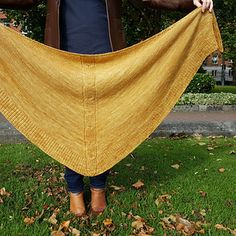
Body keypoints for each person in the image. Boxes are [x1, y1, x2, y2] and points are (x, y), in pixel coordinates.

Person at [0, 0, 213, 217]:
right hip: (61, 60)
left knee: (105, 126)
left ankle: (98, 188)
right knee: (70, 125)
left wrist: (189, 1)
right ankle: (74, 189)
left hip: (109, 59)